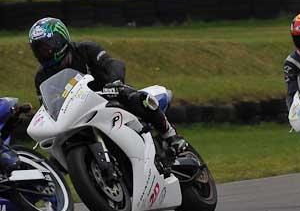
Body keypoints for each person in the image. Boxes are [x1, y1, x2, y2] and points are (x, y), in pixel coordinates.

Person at [28, 17, 186, 153]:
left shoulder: (86, 50)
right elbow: (47, 107)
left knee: (139, 99)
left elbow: (112, 64)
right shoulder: (41, 77)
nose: (42, 54)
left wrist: (115, 82)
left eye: (46, 48)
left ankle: (171, 136)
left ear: (60, 40)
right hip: (77, 115)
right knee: (56, 153)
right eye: (38, 50)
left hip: (109, 96)